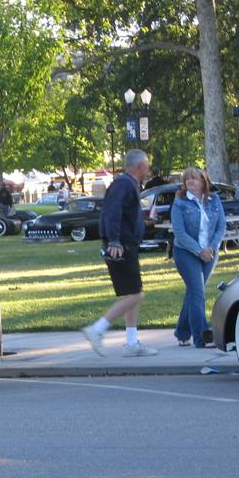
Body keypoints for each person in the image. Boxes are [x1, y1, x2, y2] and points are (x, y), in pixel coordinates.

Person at [81, 149, 157, 357]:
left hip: (125, 244)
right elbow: (111, 212)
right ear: (140, 166)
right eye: (147, 166)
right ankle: (97, 330)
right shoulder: (124, 183)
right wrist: (114, 240)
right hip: (121, 246)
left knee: (132, 293)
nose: (148, 170)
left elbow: (122, 214)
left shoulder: (128, 184)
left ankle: (132, 343)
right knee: (136, 294)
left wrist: (143, 222)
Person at [170, 167, 226, 348]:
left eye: (194, 178)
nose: (190, 182)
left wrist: (212, 248)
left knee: (194, 292)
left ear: (203, 181)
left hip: (210, 253)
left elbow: (221, 227)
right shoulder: (179, 203)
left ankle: (182, 332)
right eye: (187, 179)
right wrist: (199, 250)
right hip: (186, 252)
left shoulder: (214, 200)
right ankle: (202, 337)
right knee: (198, 294)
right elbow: (179, 233)